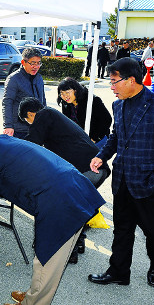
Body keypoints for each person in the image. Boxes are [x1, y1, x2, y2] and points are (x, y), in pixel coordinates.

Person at [0, 126, 105, 305]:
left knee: (46, 259)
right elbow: (10, 169)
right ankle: (34, 296)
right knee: (50, 261)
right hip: (74, 187)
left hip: (60, 203)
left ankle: (33, 302)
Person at [88, 57, 154, 288]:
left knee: (153, 231)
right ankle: (118, 272)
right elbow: (116, 138)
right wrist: (102, 156)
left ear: (131, 80)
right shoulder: (118, 105)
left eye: (114, 81)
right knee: (122, 229)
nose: (111, 87)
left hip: (148, 182)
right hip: (122, 180)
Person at [18, 97, 111, 264]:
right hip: (97, 169)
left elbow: (32, 144)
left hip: (87, 169)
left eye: (28, 120)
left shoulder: (44, 115)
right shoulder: (53, 116)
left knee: (65, 208)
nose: (30, 124)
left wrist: (10, 145)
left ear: (31, 114)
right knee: (76, 206)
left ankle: (70, 251)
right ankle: (79, 242)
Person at [2, 47, 46, 138]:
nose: (36, 67)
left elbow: (43, 101)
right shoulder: (13, 79)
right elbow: (7, 102)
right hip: (19, 130)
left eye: (39, 63)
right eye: (33, 63)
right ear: (23, 62)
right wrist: (8, 126)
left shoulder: (39, 78)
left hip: (36, 127)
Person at [57, 78, 112, 146]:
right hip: (79, 139)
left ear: (75, 90)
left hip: (97, 138)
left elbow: (107, 119)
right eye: (62, 93)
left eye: (67, 92)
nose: (65, 96)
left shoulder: (92, 100)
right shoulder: (66, 103)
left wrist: (94, 139)